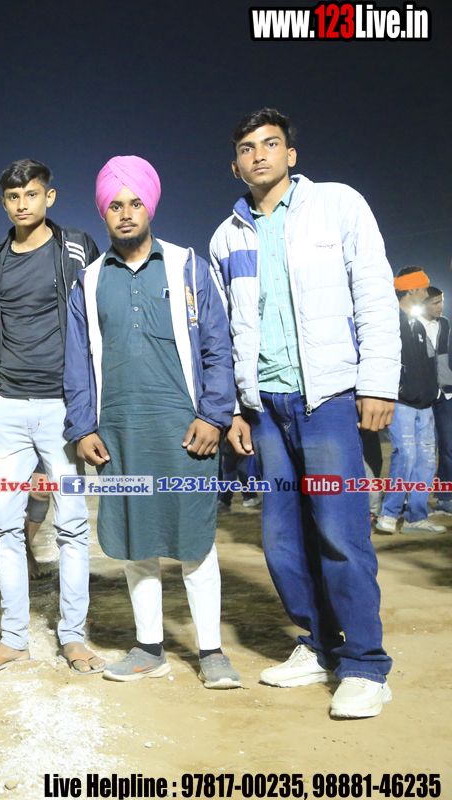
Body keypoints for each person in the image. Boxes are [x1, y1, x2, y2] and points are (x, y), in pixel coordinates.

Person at [211, 108, 398, 718]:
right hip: (266, 409)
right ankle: (318, 645)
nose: (259, 154)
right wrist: (236, 408)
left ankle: (365, 665)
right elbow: (229, 332)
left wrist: (377, 383)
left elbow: (374, 294)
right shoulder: (226, 237)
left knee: (341, 535)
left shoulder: (338, 205)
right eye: (247, 148)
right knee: (282, 542)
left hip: (329, 400)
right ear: (235, 165)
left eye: (270, 144)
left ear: (291, 155)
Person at [65, 155, 241, 690]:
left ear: (150, 206)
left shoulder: (188, 267)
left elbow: (218, 347)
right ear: (103, 212)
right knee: (135, 541)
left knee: (195, 541)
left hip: (187, 432)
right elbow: (77, 362)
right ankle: (149, 649)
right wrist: (83, 428)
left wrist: (214, 415)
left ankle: (211, 652)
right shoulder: (88, 281)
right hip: (118, 433)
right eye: (115, 205)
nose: (125, 213)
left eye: (135, 202)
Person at [0, 159, 104, 679]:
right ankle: (14, 639)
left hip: (62, 409)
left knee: (72, 526)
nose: (23, 204)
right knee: (6, 527)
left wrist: (88, 404)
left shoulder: (77, 248)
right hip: (7, 411)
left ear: (50, 197)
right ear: (4, 203)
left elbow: (95, 322)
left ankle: (74, 637)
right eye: (13, 196)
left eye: (32, 194)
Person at [377, 267, 443, 534]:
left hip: (424, 404)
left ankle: (416, 517)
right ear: (412, 289)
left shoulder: (416, 323)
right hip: (402, 403)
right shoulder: (389, 320)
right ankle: (389, 514)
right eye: (424, 288)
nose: (426, 294)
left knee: (426, 460)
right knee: (406, 456)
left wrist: (431, 391)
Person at [420, 286, 452, 516]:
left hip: (446, 395)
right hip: (422, 396)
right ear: (423, 304)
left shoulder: (445, 324)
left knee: (448, 448)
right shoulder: (411, 325)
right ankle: (417, 502)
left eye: (442, 301)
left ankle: (444, 497)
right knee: (423, 451)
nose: (441, 306)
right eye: (435, 303)